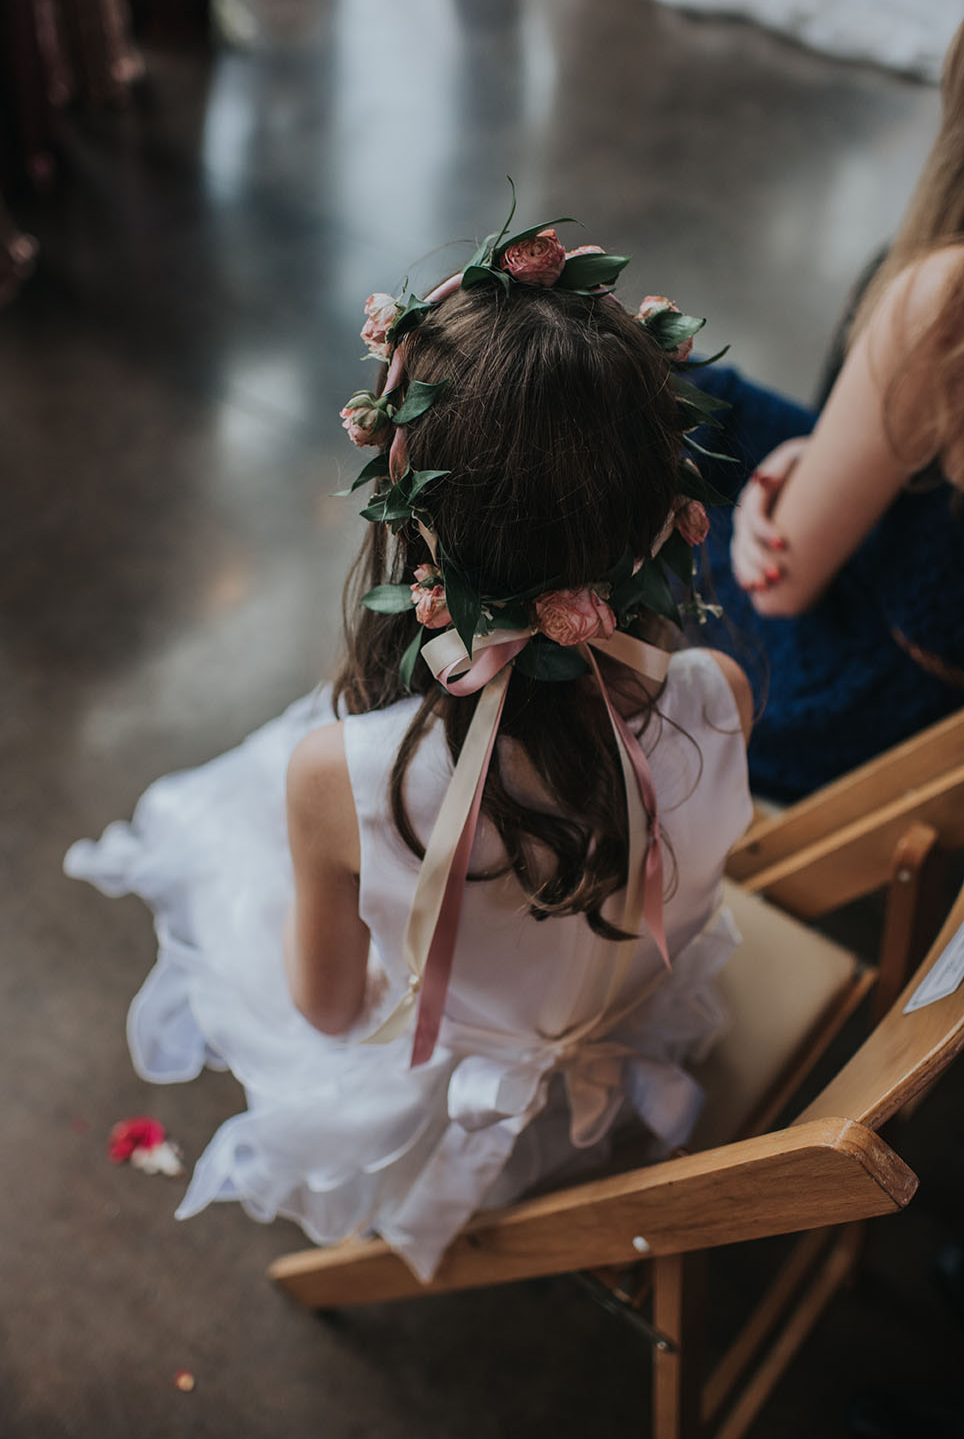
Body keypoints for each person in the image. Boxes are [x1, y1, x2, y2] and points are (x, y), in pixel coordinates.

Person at [65, 213, 752, 1283]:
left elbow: (334, 1011)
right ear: (657, 512)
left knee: (252, 836)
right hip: (625, 1012)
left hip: (438, 1106)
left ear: (414, 528)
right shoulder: (721, 695)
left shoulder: (342, 781)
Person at [686, 17, 964, 804]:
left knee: (648, 461)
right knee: (711, 399)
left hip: (884, 708)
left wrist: (767, 516)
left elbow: (780, 587)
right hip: (931, 648)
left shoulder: (942, 301)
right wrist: (815, 457)